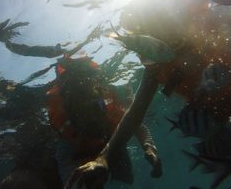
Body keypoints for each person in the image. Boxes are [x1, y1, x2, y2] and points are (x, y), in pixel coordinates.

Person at [46, 56, 162, 187]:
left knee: (126, 179)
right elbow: (70, 178)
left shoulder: (110, 111)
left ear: (103, 104)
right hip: (82, 154)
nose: (92, 117)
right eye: (83, 110)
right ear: (71, 114)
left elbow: (136, 124)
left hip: (111, 146)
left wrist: (149, 147)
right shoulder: (66, 143)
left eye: (96, 107)